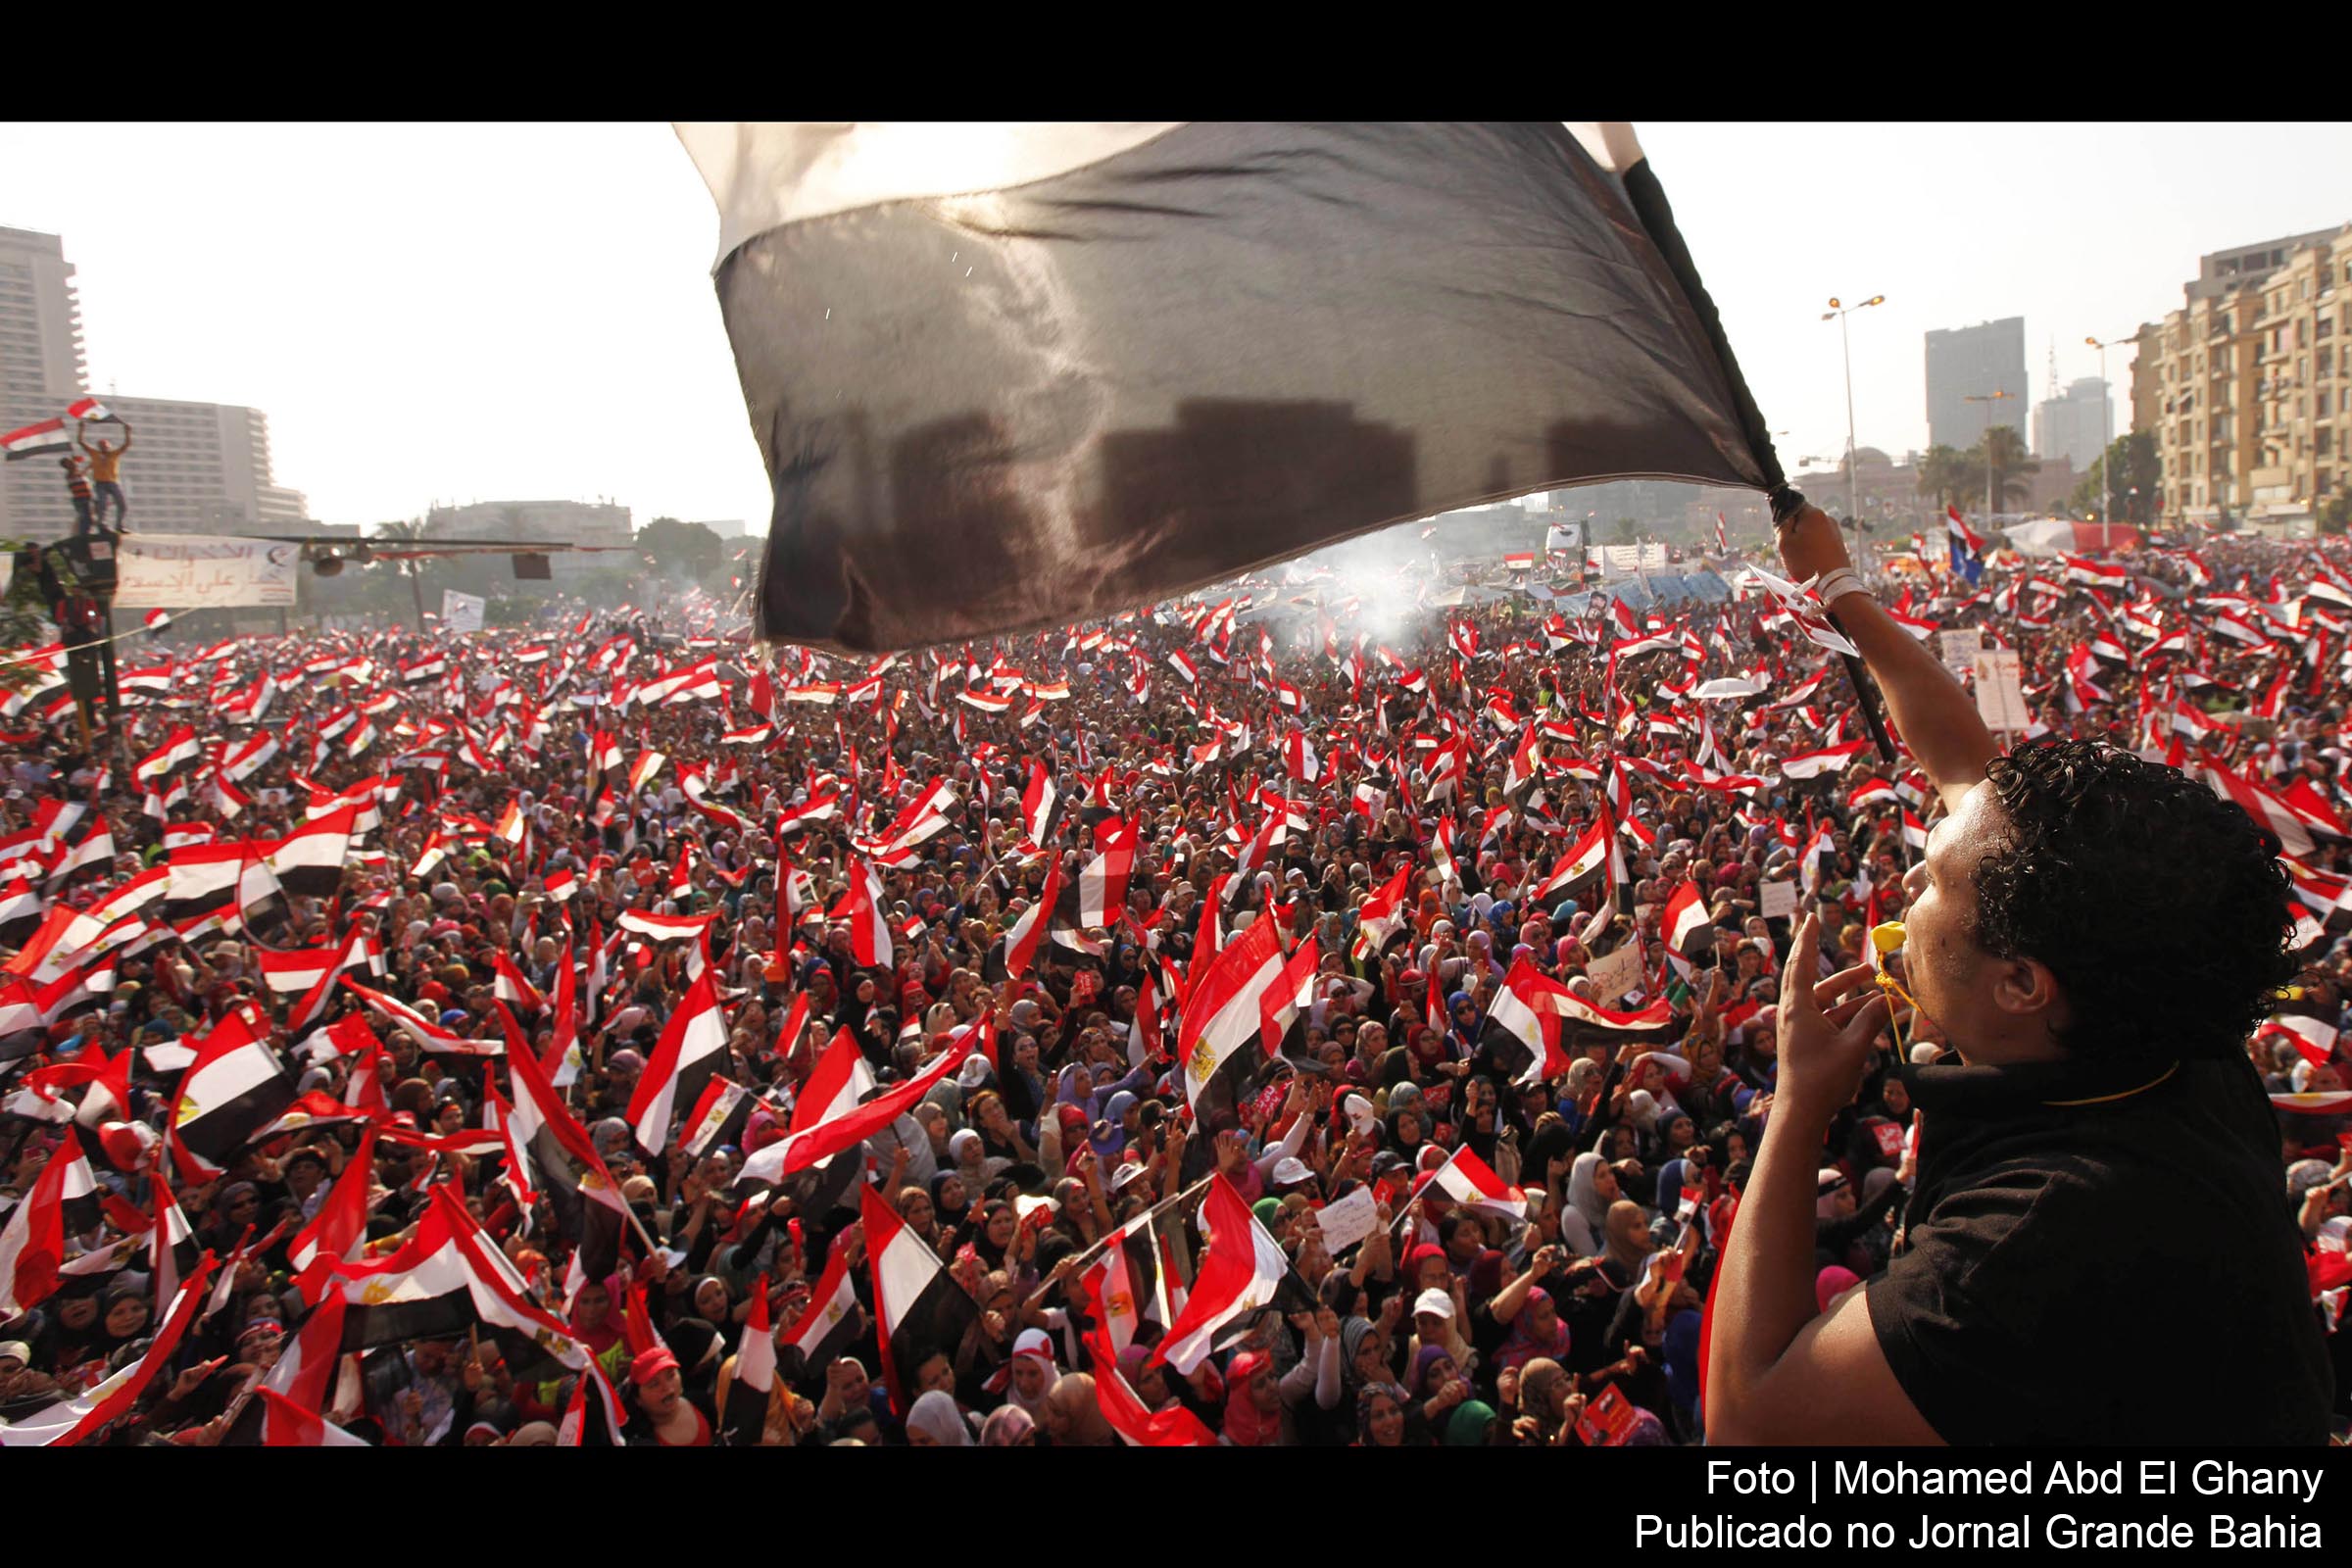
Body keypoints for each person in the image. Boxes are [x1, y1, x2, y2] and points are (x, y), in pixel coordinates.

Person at [1704, 500, 2334, 1446]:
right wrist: (1842, 595)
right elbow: (1967, 765)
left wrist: (1798, 1106)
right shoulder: (2176, 1047)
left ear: (2022, 984)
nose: (1909, 884)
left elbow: (1748, 1428)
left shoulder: (2032, 1244)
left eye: (1934, 881)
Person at [77, 419, 130, 527]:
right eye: (101, 445)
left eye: (105, 445)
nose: (103, 447)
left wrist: (127, 432)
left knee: (122, 505)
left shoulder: (114, 454)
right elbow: (81, 442)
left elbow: (126, 445)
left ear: (109, 446)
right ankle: (102, 524)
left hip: (113, 482)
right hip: (100, 483)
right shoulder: (95, 454)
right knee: (102, 504)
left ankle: (119, 525)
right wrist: (81, 429)